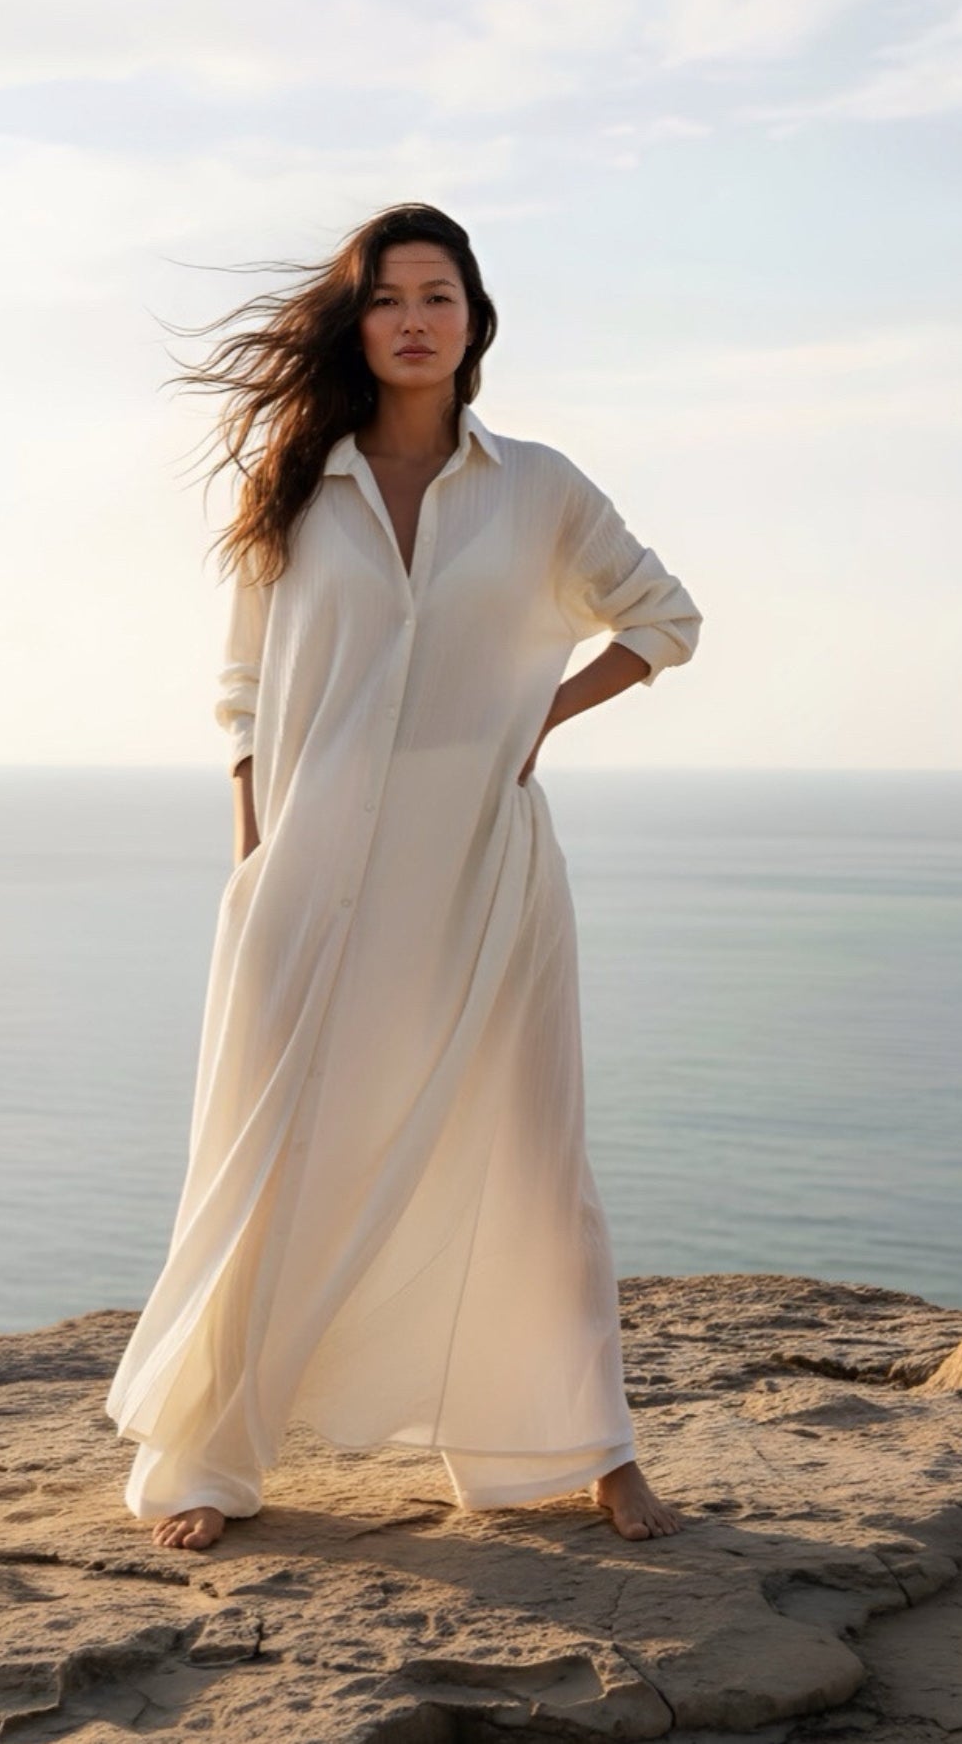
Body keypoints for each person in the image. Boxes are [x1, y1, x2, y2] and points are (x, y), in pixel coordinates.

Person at [104, 202, 703, 1552]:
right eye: (388, 297)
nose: (415, 318)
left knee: (534, 1156)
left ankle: (592, 1447)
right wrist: (254, 850)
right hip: (303, 883)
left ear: (475, 320)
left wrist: (536, 720)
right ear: (358, 323)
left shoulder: (539, 486)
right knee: (266, 1154)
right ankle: (208, 1452)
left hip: (481, 881)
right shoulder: (295, 481)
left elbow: (665, 617)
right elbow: (242, 692)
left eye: (440, 294)